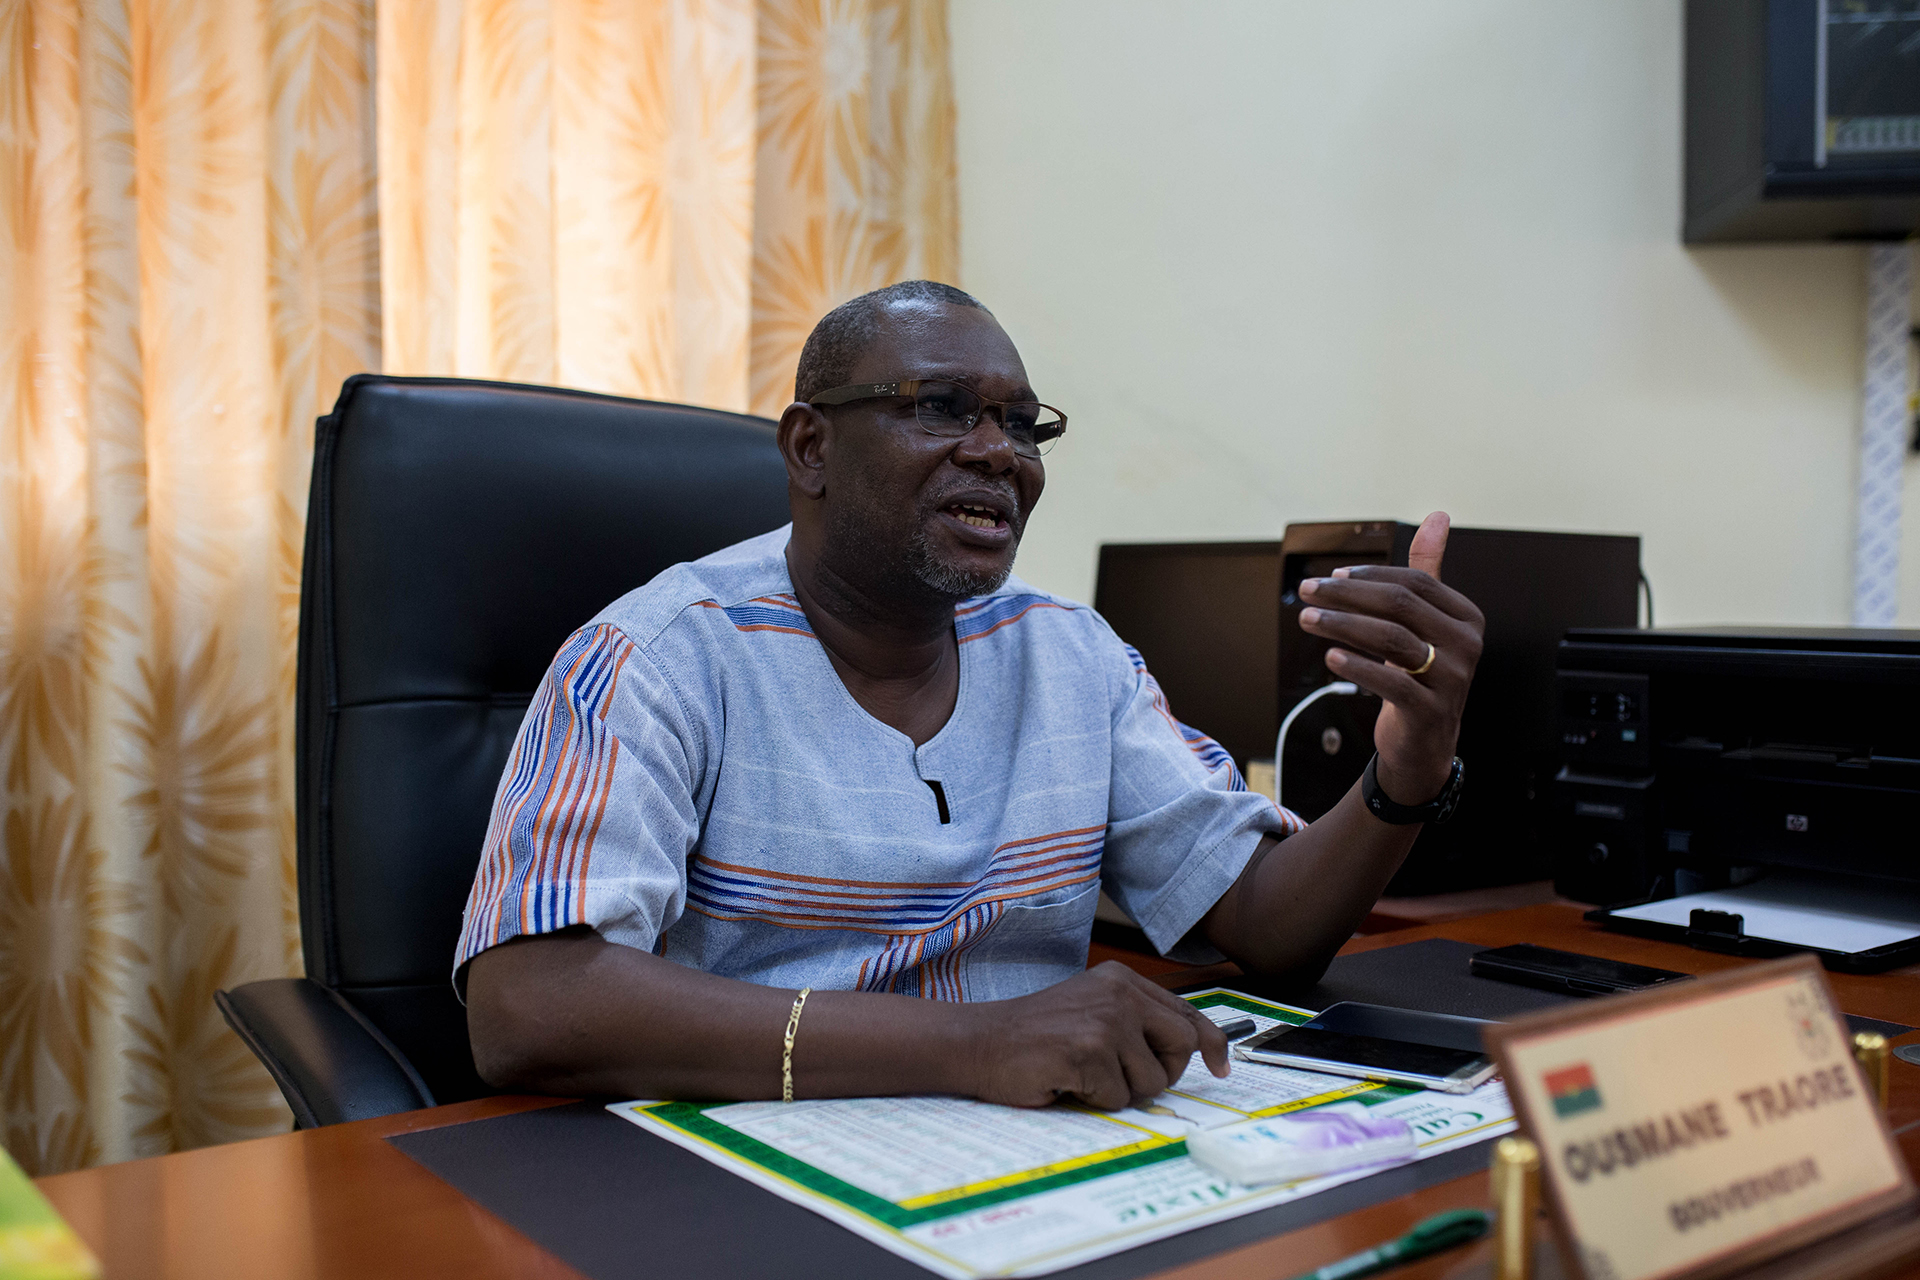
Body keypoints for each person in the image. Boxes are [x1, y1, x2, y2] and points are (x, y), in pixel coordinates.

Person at [460, 280, 1483, 1111]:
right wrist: (975, 1041)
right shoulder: (658, 655)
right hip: (755, 1173)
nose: (999, 451)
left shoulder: (1071, 655)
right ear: (811, 448)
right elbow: (533, 1002)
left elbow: (1264, 919)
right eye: (942, 407)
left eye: (1023, 424)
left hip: (1033, 1157)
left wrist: (1407, 765)